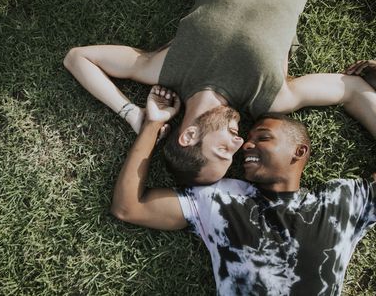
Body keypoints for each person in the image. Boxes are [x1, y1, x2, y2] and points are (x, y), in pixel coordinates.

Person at [64, 0, 376, 185]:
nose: (240, 142)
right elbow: (351, 90)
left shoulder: (162, 69)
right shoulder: (271, 97)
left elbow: (78, 57)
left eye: (223, 150)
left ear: (189, 136)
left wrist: (134, 116)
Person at [111, 87, 376, 295]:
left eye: (262, 138)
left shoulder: (341, 201)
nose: (246, 145)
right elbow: (128, 207)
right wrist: (152, 125)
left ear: (299, 151)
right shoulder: (220, 198)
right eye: (247, 140)